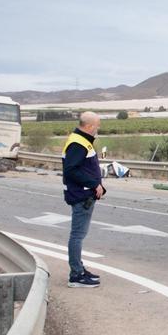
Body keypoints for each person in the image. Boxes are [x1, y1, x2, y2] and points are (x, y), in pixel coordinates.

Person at [63, 112, 106, 288]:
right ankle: (76, 275)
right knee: (77, 235)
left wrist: (97, 185)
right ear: (89, 126)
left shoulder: (81, 140)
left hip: (84, 194)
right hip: (81, 195)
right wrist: (94, 184)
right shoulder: (78, 143)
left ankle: (79, 268)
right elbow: (71, 170)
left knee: (79, 235)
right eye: (97, 125)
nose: (98, 128)